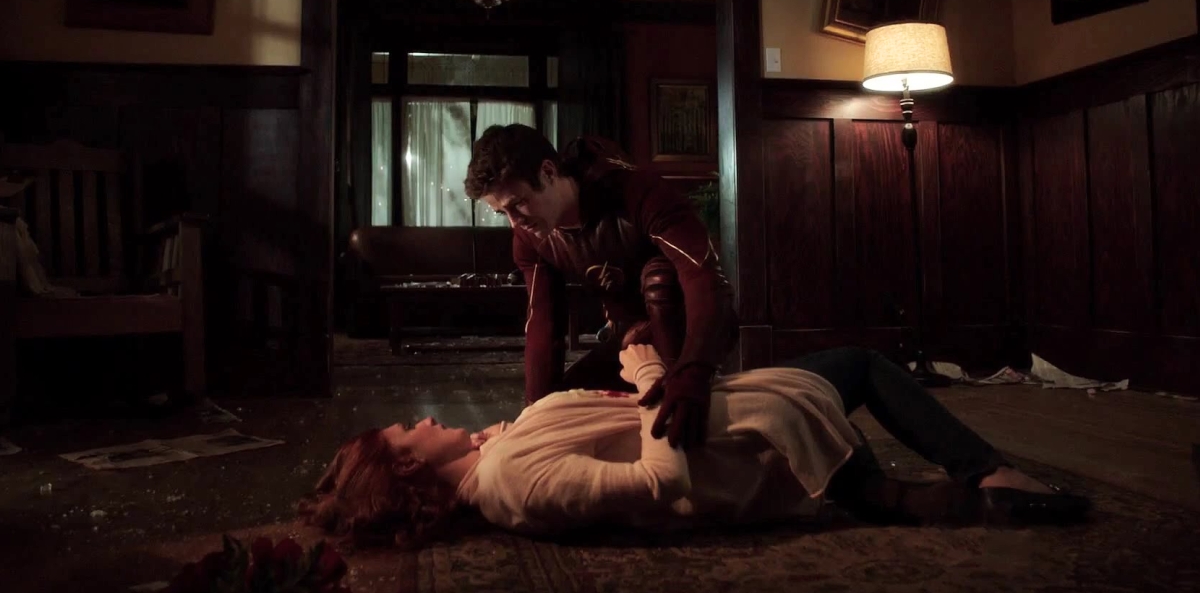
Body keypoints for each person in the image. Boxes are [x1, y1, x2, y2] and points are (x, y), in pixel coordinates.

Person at [299, 338, 1092, 548]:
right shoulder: (514, 484)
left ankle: (913, 494)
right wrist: (651, 375)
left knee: (854, 386)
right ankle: (973, 483)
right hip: (743, 453)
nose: (422, 418)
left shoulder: (493, 457)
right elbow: (660, 484)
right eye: (408, 429)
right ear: (409, 463)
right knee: (857, 370)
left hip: (729, 427)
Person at [464, 124, 738, 449]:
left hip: (687, 326)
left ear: (548, 172)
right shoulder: (529, 237)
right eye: (502, 212)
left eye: (519, 203)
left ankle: (683, 401)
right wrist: (532, 419)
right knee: (557, 411)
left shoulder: (637, 193)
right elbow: (543, 322)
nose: (514, 222)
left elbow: (703, 276)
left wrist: (693, 371)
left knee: (659, 279)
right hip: (626, 340)